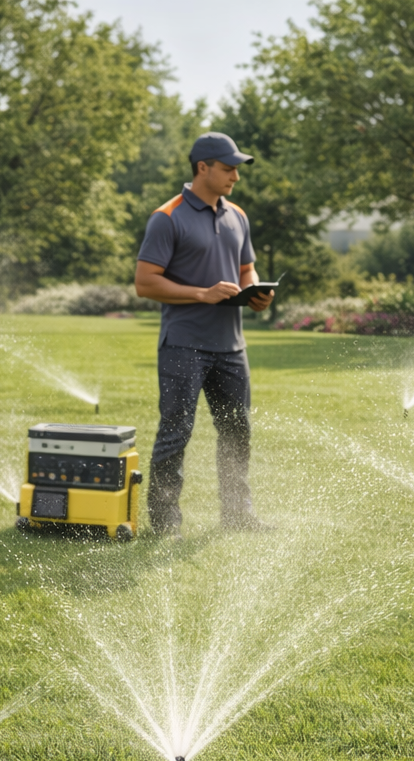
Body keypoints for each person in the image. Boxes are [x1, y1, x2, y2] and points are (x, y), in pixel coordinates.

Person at [134, 131, 275, 536]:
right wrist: (203, 294)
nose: (235, 176)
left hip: (232, 347)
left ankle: (238, 515)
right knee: (176, 431)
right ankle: (165, 524)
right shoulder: (167, 216)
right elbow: (145, 283)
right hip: (183, 344)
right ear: (203, 168)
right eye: (228, 168)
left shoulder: (238, 216)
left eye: (236, 169)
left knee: (237, 431)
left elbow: (246, 268)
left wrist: (256, 292)